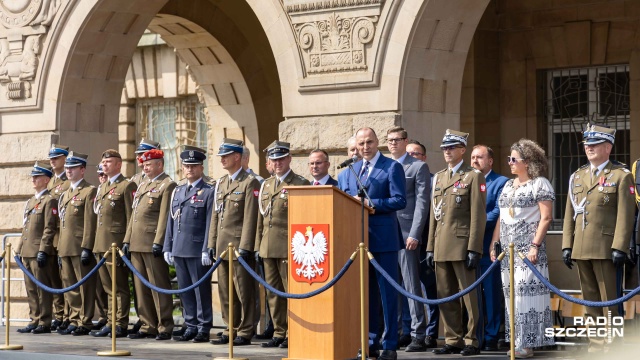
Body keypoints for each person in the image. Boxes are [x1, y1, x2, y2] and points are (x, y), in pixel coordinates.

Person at [562, 124, 635, 354]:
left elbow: (626, 214)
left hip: (606, 248)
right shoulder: (577, 176)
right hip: (581, 247)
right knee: (590, 300)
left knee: (609, 301)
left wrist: (620, 247)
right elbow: (569, 214)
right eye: (587, 145)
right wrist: (566, 244)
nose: (589, 148)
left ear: (608, 147)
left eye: (594, 145)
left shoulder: (621, 175)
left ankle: (613, 346)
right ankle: (596, 345)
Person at [339, 127, 407, 360]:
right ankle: (369, 341)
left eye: (369, 142)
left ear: (377, 142)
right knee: (365, 295)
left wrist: (371, 203)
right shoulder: (351, 169)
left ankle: (389, 344)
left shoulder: (391, 167)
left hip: (384, 240)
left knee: (387, 294)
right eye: (361, 143)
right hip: (357, 240)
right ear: (356, 146)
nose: (365, 147)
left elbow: (399, 200)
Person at [488, 139, 555, 358]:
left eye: (513, 159)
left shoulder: (540, 184)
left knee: (526, 297)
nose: (509, 162)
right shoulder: (508, 185)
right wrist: (493, 243)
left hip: (529, 251)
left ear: (527, 162)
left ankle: (528, 344)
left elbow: (546, 218)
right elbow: (502, 217)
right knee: (511, 297)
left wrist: (535, 245)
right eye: (509, 159)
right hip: (508, 251)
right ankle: (516, 341)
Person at [426, 129, 486, 356]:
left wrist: (474, 247)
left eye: (451, 147)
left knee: (469, 297)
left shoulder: (473, 176)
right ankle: (453, 338)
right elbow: (434, 215)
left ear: (462, 149)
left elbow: (477, 215)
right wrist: (430, 246)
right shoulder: (439, 177)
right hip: (441, 244)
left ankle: (472, 340)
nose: (447, 151)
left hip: (462, 245)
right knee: (445, 295)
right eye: (444, 148)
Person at [254, 140, 310, 349]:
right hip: (268, 246)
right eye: (273, 160)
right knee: (273, 293)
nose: (277, 163)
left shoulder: (299, 183)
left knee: (290, 292)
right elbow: (261, 218)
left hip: (289, 246)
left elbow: (304, 218)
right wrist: (259, 244)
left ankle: (293, 332)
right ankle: (278, 331)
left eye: (281, 159)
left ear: (289, 159)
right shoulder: (267, 185)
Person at [208, 138, 260, 346]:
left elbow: (250, 217)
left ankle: (246, 329)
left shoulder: (249, 182)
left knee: (243, 290)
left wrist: (246, 246)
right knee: (225, 290)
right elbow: (215, 216)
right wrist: (211, 243)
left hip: (239, 246)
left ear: (237, 157)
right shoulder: (221, 183)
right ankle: (231, 327)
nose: (222, 159)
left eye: (226, 156)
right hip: (222, 247)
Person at [122, 149, 176, 341]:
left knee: (157, 286)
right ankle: (147, 324)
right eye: (144, 164)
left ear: (159, 164)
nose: (145, 166)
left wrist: (159, 241)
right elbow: (134, 215)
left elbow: (163, 218)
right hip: (137, 242)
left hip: (152, 242)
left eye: (149, 163)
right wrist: (127, 240)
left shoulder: (167, 185)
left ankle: (164, 325)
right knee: (141, 288)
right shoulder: (144, 183)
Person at [163, 145, 215, 343]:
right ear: (182, 168)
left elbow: (210, 222)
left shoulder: (208, 191)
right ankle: (191, 324)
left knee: (200, 290)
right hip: (179, 247)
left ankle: (203, 326)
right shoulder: (177, 191)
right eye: (187, 166)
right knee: (185, 289)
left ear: (201, 167)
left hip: (196, 248)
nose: (190, 169)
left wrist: (206, 249)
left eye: (194, 166)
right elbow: (171, 221)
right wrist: (168, 246)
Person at [386, 127, 429, 352]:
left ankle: (418, 333)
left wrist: (415, 233)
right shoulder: (384, 165)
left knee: (412, 286)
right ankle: (399, 331)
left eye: (397, 140)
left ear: (406, 141)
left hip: (406, 234)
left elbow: (422, 203)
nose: (393, 144)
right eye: (390, 140)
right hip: (386, 235)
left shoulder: (417, 166)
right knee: (392, 286)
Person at [92, 149, 137, 338]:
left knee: (119, 287)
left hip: (115, 244)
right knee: (108, 288)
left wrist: (125, 242)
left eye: (109, 162)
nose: (105, 165)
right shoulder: (102, 187)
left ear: (118, 164)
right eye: (104, 162)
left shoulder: (126, 186)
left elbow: (130, 217)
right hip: (101, 244)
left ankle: (120, 323)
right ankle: (110, 321)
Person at [470, 145, 508, 351]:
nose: (475, 161)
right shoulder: (465, 180)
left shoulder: (501, 182)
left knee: (491, 293)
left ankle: (492, 334)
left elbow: (498, 211)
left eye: (480, 157)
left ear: (490, 161)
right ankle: (475, 335)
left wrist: (474, 224)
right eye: (473, 157)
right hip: (467, 246)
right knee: (471, 294)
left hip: (488, 245)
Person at [56, 152, 98, 336]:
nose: (69, 171)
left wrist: (87, 247)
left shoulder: (89, 191)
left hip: (80, 246)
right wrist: (58, 248)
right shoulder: (65, 194)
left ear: (82, 170)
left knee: (85, 286)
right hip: (65, 246)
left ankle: (85, 320)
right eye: (67, 168)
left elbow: (90, 221)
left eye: (72, 168)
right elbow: (61, 224)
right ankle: (74, 318)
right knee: (70, 286)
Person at [16, 161, 58, 334]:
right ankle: (34, 318)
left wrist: (43, 250)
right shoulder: (31, 201)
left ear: (46, 179)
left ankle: (44, 320)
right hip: (27, 250)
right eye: (33, 177)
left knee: (42, 288)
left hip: (38, 250)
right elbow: (25, 228)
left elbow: (49, 228)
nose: (33, 179)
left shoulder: (49, 200)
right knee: (31, 288)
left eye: (37, 177)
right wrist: (18, 250)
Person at [406, 140, 439, 349]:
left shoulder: (436, 180)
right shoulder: (401, 176)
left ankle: (431, 333)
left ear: (424, 158)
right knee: (408, 287)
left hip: (429, 242)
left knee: (432, 290)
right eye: (409, 153)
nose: (412, 157)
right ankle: (407, 330)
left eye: (416, 154)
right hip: (408, 241)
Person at [47, 144, 70, 332]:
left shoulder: (69, 183)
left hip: (64, 235)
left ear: (65, 159)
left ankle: (69, 316)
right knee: (54, 278)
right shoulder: (49, 182)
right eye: (51, 158)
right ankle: (59, 314)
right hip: (50, 236)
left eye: (56, 157)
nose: (52, 161)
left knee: (66, 278)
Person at [94, 164, 109, 330]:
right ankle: (104, 315)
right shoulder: (98, 192)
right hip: (97, 243)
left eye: (104, 175)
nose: (102, 178)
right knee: (100, 286)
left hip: (110, 245)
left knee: (112, 287)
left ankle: (114, 320)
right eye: (100, 175)